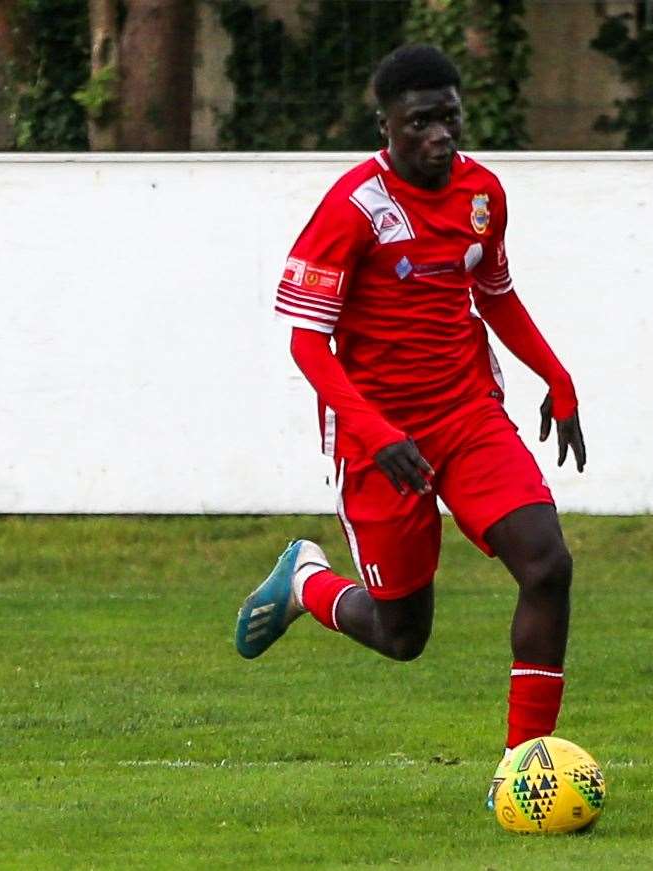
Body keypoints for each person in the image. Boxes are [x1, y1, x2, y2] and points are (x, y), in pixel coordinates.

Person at [233, 43, 586, 806]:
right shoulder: (353, 208)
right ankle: (306, 582)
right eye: (420, 121)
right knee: (402, 636)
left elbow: (494, 293)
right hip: (379, 438)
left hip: (468, 414)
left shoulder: (482, 194)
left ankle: (524, 770)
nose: (440, 136)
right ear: (386, 126)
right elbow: (306, 339)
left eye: (450, 118)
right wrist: (370, 429)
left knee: (547, 565)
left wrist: (556, 378)